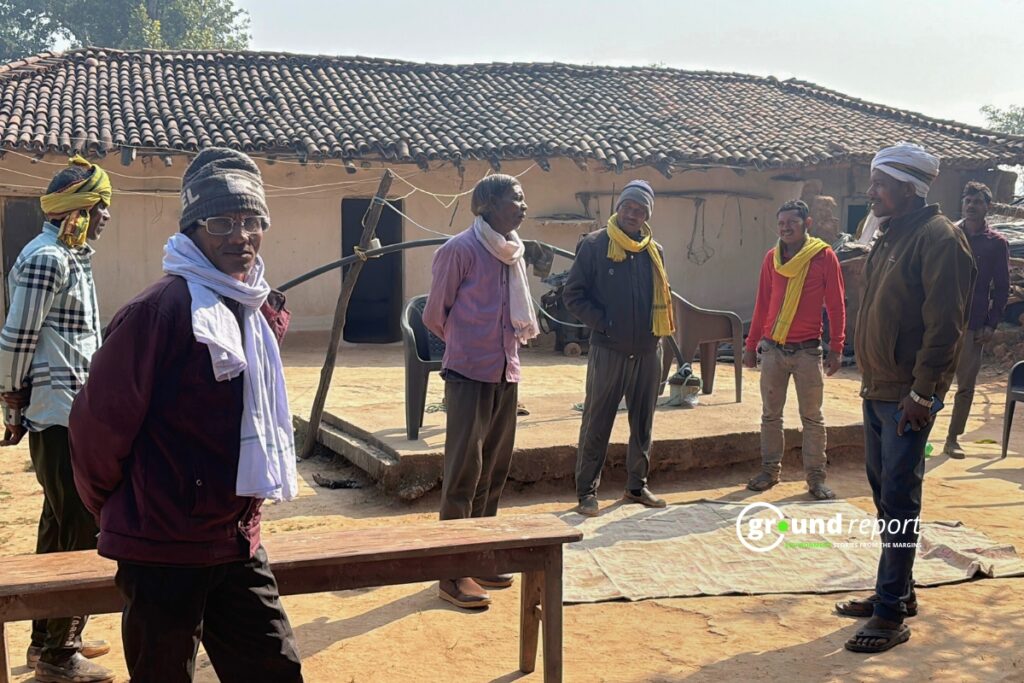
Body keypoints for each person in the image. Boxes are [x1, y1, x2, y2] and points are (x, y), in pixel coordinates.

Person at [68, 148, 303, 682]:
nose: (240, 236)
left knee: (275, 669)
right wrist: (125, 512)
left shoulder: (254, 310)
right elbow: (95, 429)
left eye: (251, 221)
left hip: (236, 538)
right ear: (193, 229)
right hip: (163, 548)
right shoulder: (160, 313)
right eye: (221, 222)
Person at [837, 143, 975, 653]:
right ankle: (896, 591)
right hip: (879, 389)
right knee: (884, 495)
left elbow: (946, 326)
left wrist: (924, 392)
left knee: (899, 498)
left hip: (908, 396)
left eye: (879, 183)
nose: (870, 191)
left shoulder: (939, 239)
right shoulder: (892, 235)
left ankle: (891, 613)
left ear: (909, 188)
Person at [0, 157, 115, 683]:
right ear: (78, 210)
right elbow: (17, 338)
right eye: (100, 206)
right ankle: (58, 656)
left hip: (73, 411)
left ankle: (45, 638)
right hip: (60, 414)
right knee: (81, 529)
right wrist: (11, 400)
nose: (107, 216)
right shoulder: (49, 259)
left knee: (59, 522)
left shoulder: (68, 255)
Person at [422, 174, 539, 609]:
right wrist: (468, 342)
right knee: (463, 474)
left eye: (524, 198)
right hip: (469, 373)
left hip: (506, 372)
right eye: (516, 199)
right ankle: (451, 572)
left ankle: (481, 553)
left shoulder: (512, 253)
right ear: (488, 205)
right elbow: (435, 315)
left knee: (494, 468)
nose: (523, 206)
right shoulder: (459, 251)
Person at [563, 179, 674, 517]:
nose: (633, 213)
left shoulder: (655, 252)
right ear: (619, 207)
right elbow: (573, 295)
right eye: (629, 206)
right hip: (609, 349)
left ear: (647, 215)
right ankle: (586, 492)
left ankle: (636, 486)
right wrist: (606, 323)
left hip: (647, 349)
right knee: (598, 420)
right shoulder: (595, 245)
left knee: (644, 422)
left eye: (640, 210)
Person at [743, 200, 846, 500]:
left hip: (807, 352)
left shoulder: (824, 257)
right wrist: (751, 345)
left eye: (792, 222)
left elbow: (836, 305)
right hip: (773, 350)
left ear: (807, 224)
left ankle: (816, 479)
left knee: (812, 417)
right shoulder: (771, 259)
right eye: (781, 223)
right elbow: (762, 303)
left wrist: (837, 347)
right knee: (770, 415)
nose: (786, 227)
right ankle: (769, 471)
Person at [944, 181, 1010, 458]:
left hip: (973, 326)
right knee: (932, 381)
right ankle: (918, 434)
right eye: (967, 200)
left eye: (977, 202)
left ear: (988, 207)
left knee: (966, 387)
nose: (971, 206)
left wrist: (990, 324)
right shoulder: (948, 235)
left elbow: (1002, 287)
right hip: (943, 322)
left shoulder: (996, 244)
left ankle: (952, 438)